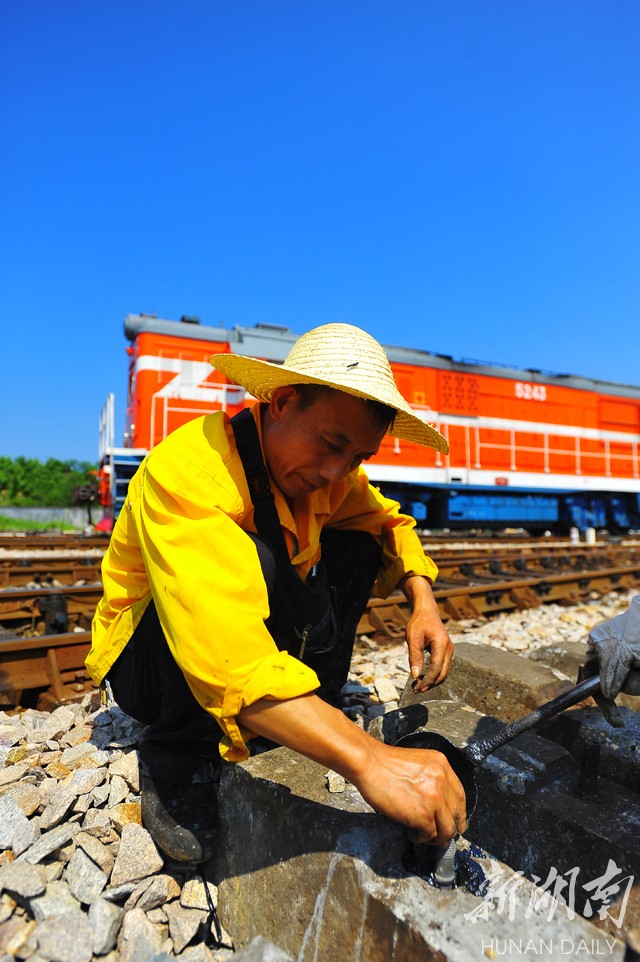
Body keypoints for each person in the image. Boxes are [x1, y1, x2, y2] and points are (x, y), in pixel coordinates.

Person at [86, 322, 465, 862]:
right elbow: (224, 650)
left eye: (358, 457)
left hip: (232, 645)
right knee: (253, 557)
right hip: (154, 659)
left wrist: (423, 601)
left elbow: (389, 525)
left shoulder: (334, 478)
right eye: (331, 444)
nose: (337, 470)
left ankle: (311, 706)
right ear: (283, 402)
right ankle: (178, 755)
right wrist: (369, 760)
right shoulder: (189, 472)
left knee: (358, 541)